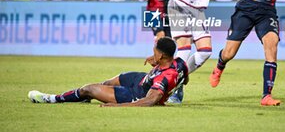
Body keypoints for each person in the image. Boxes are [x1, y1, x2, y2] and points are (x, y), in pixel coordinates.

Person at [28, 37, 188, 107]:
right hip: (141, 79)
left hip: (136, 94)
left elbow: (150, 101)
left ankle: (51, 99)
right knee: (105, 84)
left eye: (154, 52)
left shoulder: (165, 77)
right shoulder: (180, 63)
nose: (152, 53)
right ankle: (84, 98)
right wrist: (158, 62)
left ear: (161, 55)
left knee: (88, 89)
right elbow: (184, 79)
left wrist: (118, 106)